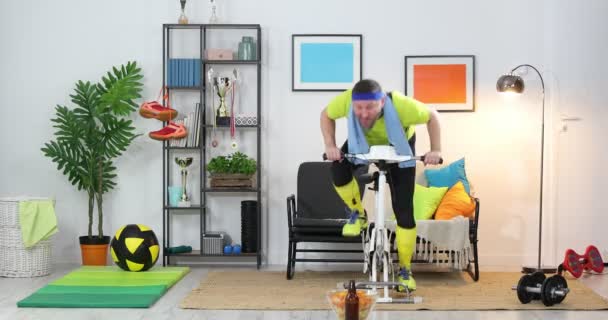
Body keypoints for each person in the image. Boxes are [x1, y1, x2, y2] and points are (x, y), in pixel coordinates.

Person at [320, 79, 442, 291]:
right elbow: (326, 115)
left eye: (370, 107)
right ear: (353, 104)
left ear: (383, 102)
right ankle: (358, 214)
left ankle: (405, 270)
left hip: (399, 146)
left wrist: (436, 150)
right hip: (362, 142)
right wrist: (330, 145)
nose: (364, 114)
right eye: (359, 108)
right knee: (338, 169)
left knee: (404, 209)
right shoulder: (347, 99)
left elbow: (432, 116)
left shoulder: (403, 105)